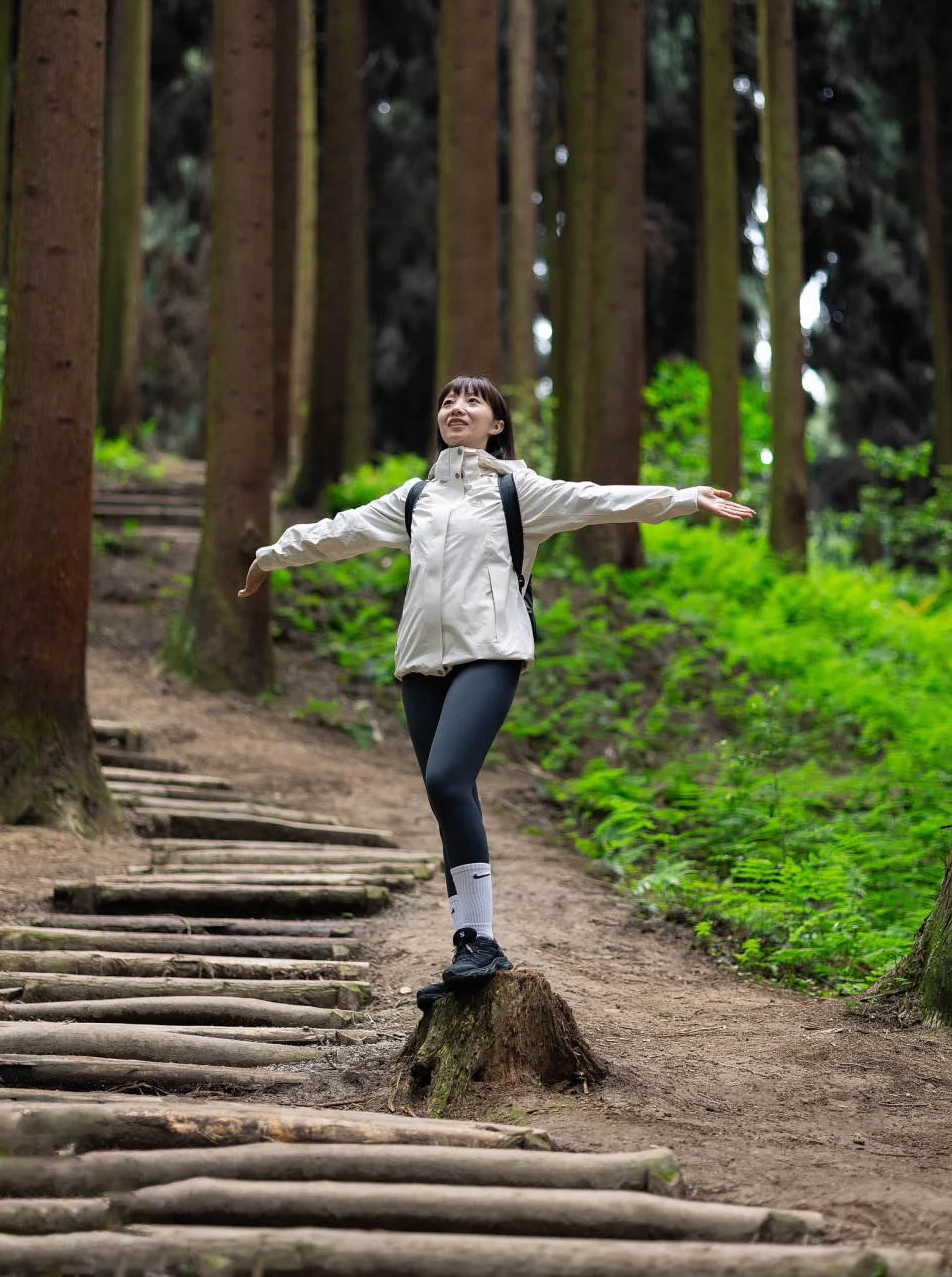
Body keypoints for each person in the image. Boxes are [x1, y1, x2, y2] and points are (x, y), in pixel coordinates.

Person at [239, 375, 755, 1010]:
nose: (457, 408)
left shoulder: (520, 492)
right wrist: (271, 554)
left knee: (449, 780)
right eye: (448, 401)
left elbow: (596, 500)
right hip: (420, 663)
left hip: (491, 651)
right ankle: (473, 945)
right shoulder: (415, 499)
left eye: (473, 402)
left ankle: (480, 943)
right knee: (448, 796)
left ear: (497, 426)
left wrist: (682, 498)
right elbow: (342, 532)